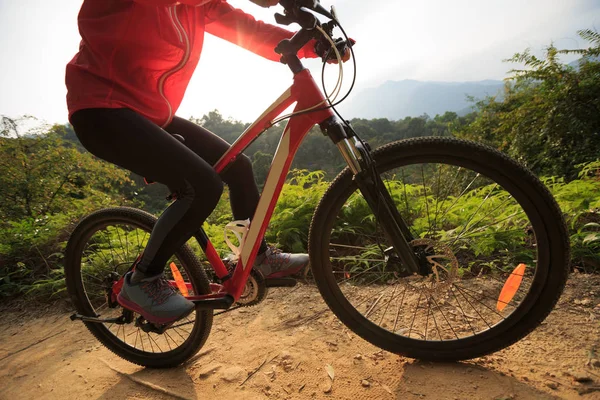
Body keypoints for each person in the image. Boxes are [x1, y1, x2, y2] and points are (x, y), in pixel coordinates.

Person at [65, 0, 330, 325]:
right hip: (101, 110)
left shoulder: (200, 7)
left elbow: (250, 30)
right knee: (203, 186)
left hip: (149, 114)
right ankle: (142, 280)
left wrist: (318, 44)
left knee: (238, 167)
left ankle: (256, 257)